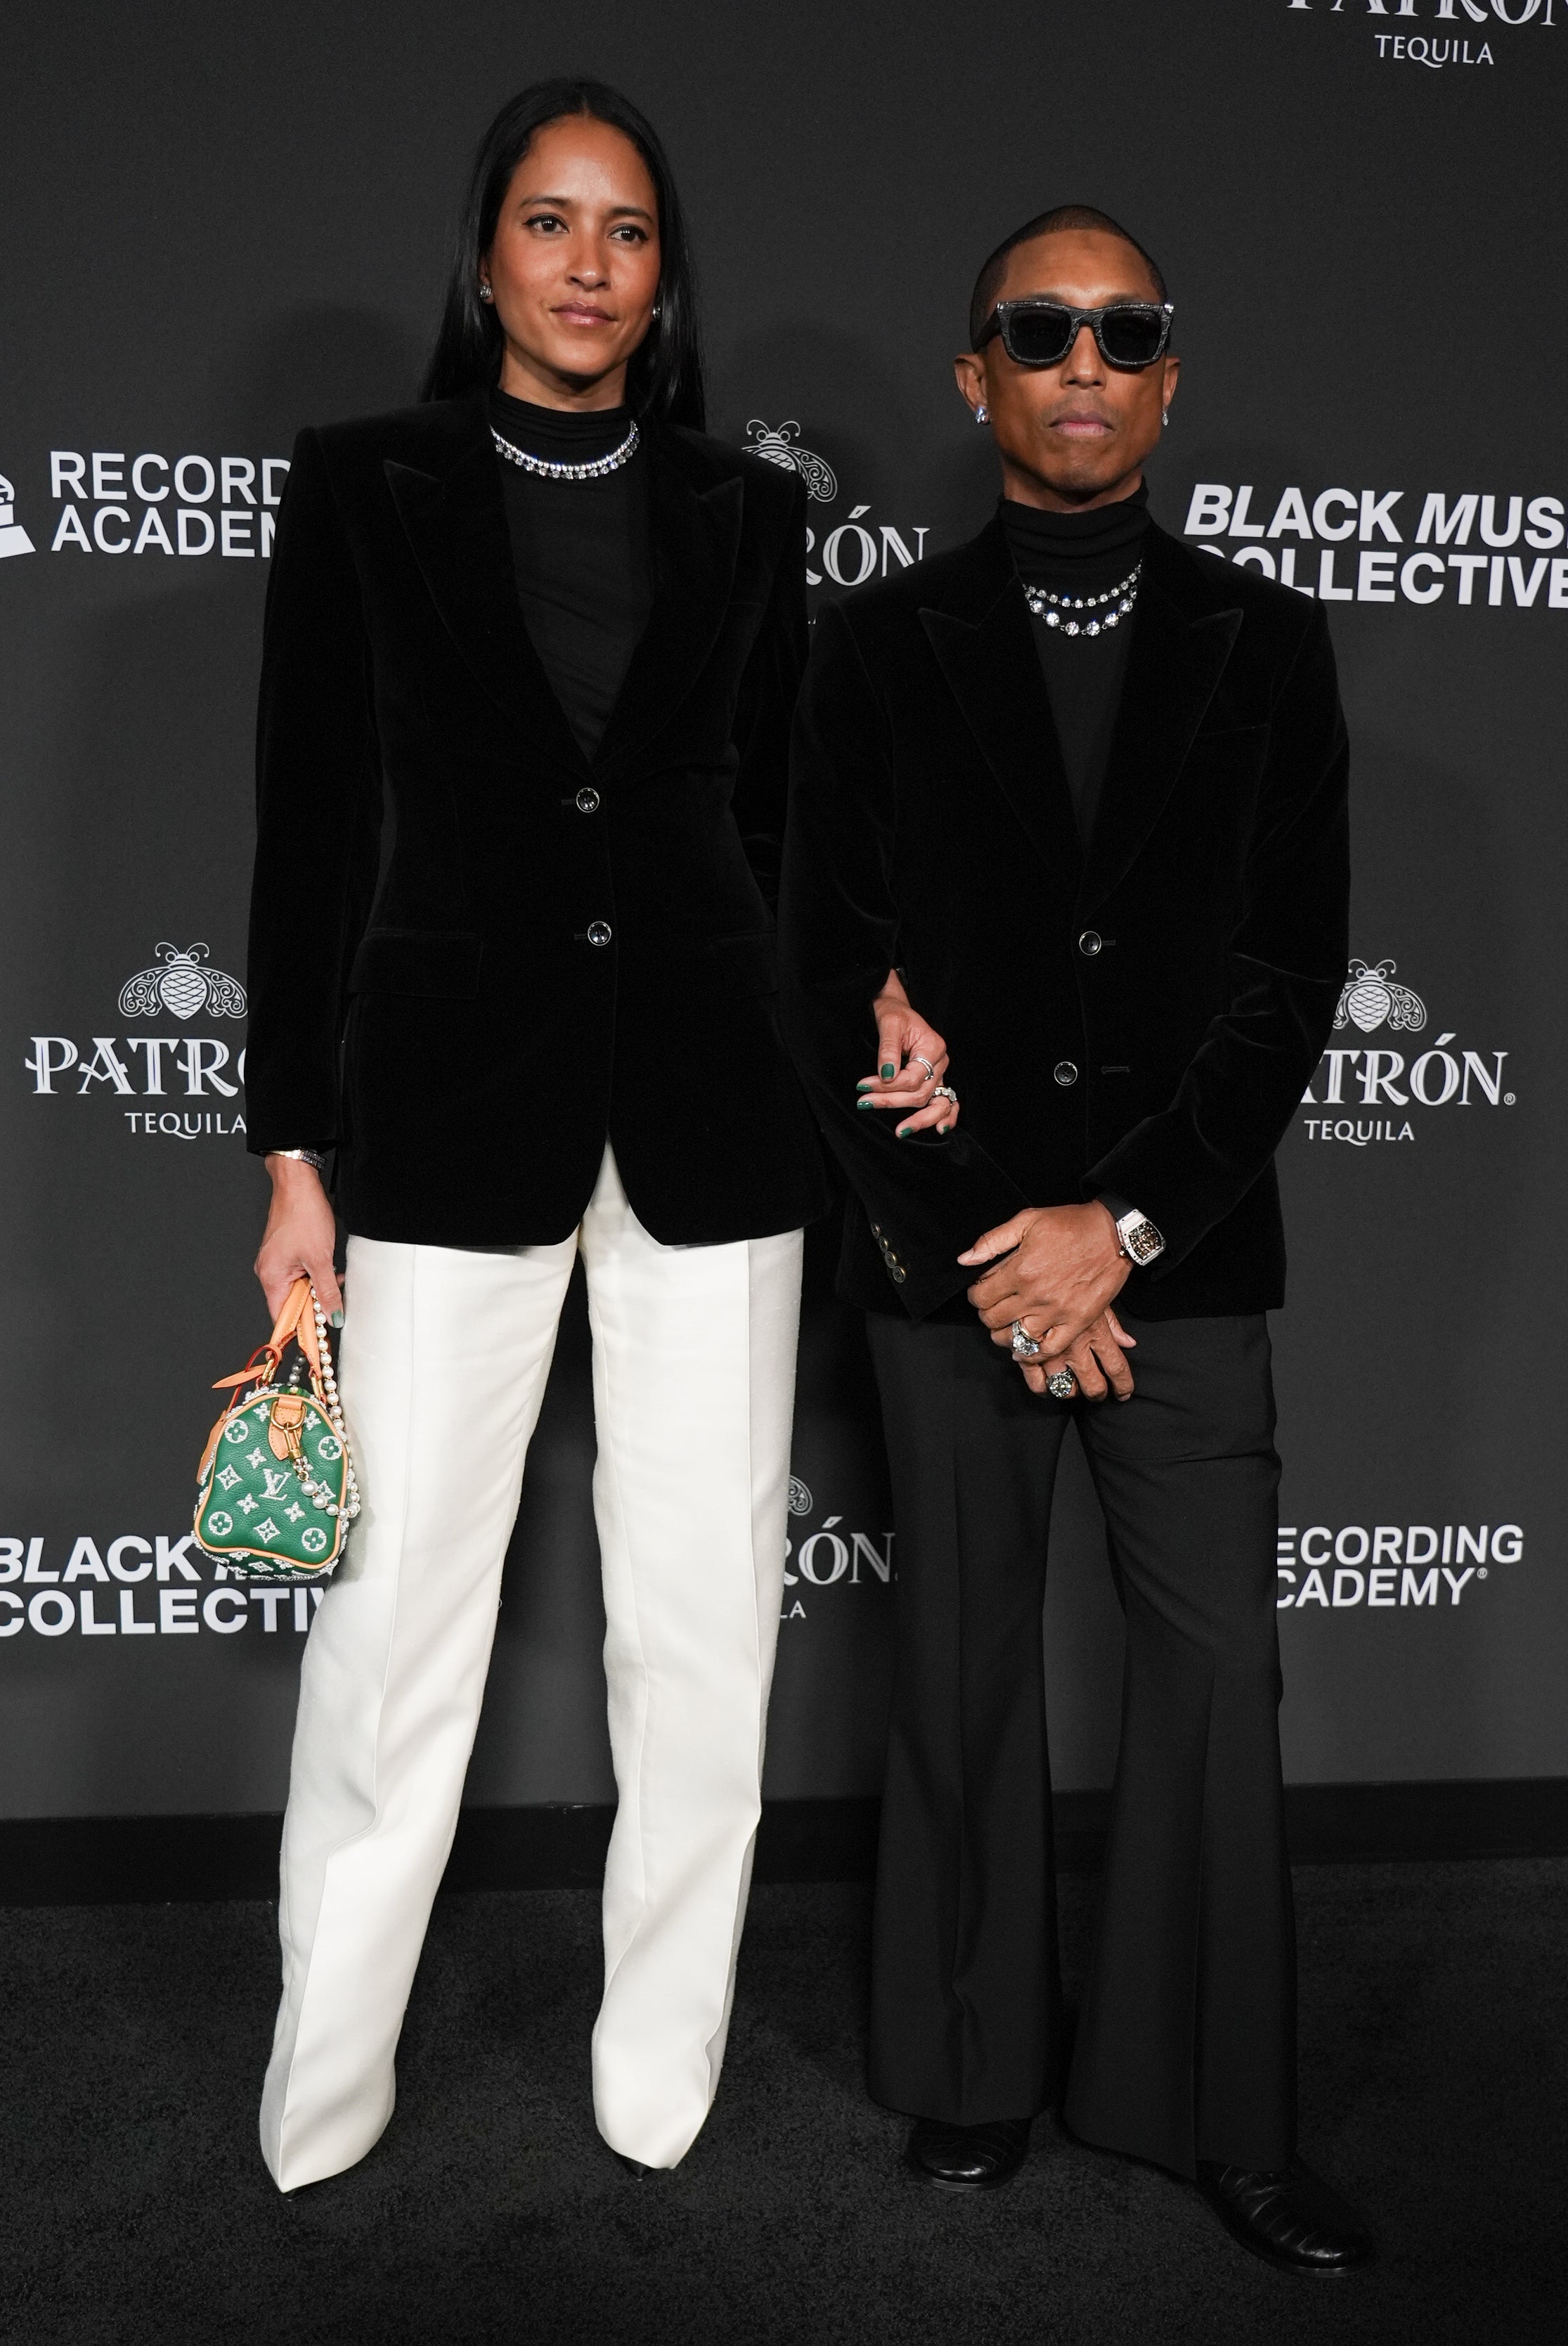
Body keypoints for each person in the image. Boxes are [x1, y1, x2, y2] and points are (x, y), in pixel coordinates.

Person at [245, 77, 827, 2191]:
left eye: (629, 230)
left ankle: (659, 2065)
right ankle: (325, 2085)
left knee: (705, 1626)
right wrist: (292, 1157)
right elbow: (311, 831)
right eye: (553, 220)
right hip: (444, 1112)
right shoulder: (363, 484)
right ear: (487, 253)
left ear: (666, 281)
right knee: (395, 1620)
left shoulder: (748, 515)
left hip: (712, 1115)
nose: (590, 261)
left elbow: (783, 827)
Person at [780, 205, 1372, 2274]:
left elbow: (1287, 984)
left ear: (1170, 379)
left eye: (1126, 333)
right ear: (979, 380)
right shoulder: (873, 651)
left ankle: (1214, 2105)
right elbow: (828, 978)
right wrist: (998, 1246)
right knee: (961, 1665)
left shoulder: (1270, 647)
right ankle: (971, 2058)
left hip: (1181, 1259)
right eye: (1042, 332)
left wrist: (1116, 1227)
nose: (1086, 365)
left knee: (1213, 1682)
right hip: (951, 1264)